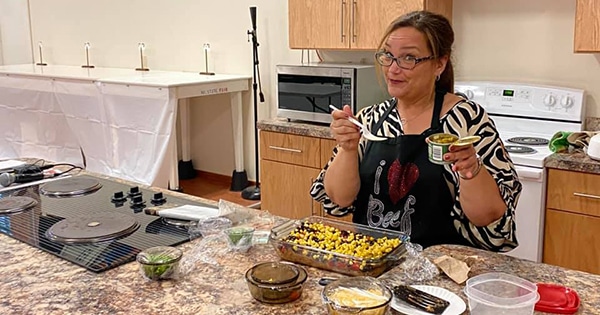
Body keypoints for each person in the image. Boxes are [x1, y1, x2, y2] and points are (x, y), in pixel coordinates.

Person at [310, 11, 522, 252]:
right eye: (388, 55)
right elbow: (339, 199)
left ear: (439, 64)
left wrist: (471, 170)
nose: (393, 68)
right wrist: (347, 148)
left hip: (443, 270)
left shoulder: (466, 120)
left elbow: (489, 217)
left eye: (409, 58)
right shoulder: (371, 119)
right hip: (375, 262)